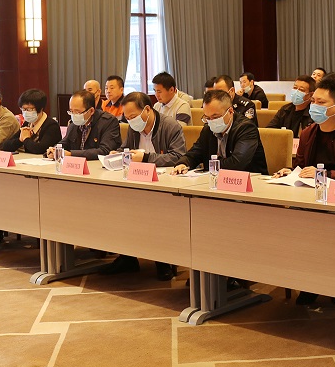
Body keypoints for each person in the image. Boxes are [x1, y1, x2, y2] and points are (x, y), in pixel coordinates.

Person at [274, 76, 335, 306]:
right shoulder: (308, 133)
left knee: (326, 226)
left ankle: (329, 283)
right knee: (288, 222)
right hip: (311, 199)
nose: (314, 107)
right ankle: (309, 281)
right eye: (313, 102)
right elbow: (301, 167)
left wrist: (324, 175)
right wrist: (290, 172)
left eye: (320, 103)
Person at [99, 92, 187, 281]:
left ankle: (163, 261)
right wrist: (118, 153)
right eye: (128, 118)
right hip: (136, 181)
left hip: (164, 185)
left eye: (133, 116)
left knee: (154, 212)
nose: (131, 121)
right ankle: (127, 257)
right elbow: (127, 149)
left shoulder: (170, 126)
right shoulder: (134, 127)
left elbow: (178, 157)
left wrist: (146, 158)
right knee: (119, 207)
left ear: (147, 109)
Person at [173, 89, 268, 175]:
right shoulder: (208, 128)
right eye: (207, 117)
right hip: (216, 180)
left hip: (249, 181)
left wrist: (210, 165)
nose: (211, 121)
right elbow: (195, 152)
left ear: (230, 111)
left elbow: (237, 163)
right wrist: (183, 163)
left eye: (215, 117)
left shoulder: (246, 128)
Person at [48, 89, 121, 160]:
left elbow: (104, 150)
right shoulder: (74, 124)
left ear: (91, 111)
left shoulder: (109, 122)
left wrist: (71, 154)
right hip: (75, 165)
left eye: (77, 112)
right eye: (71, 111)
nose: (74, 115)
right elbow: (65, 143)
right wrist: (54, 150)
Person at [0, 88, 61, 154]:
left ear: (41, 109)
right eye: (23, 109)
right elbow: (5, 146)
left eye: (29, 109)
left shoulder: (51, 126)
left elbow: (40, 149)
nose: (26, 112)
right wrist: (20, 140)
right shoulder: (28, 123)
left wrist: (26, 139)